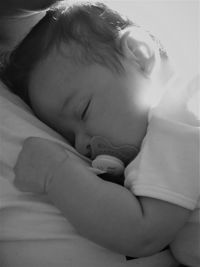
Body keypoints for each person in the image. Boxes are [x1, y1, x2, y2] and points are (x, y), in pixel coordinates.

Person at [1, 1, 199, 266]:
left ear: (139, 55)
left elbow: (142, 233)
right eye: (69, 137)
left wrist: (55, 173)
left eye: (83, 111)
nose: (82, 146)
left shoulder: (178, 117)